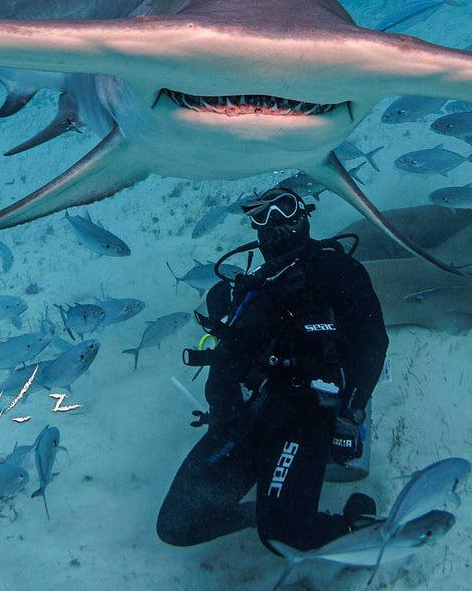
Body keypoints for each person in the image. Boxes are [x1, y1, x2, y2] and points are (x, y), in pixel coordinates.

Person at [157, 186, 389, 552]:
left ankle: (356, 524)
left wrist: (352, 410)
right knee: (176, 526)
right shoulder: (254, 286)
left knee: (283, 538)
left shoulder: (336, 270)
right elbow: (228, 361)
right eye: (261, 218)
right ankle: (263, 510)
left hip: (308, 416)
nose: (274, 225)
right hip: (248, 416)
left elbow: (373, 340)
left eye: (285, 211)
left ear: (305, 216)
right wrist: (222, 415)